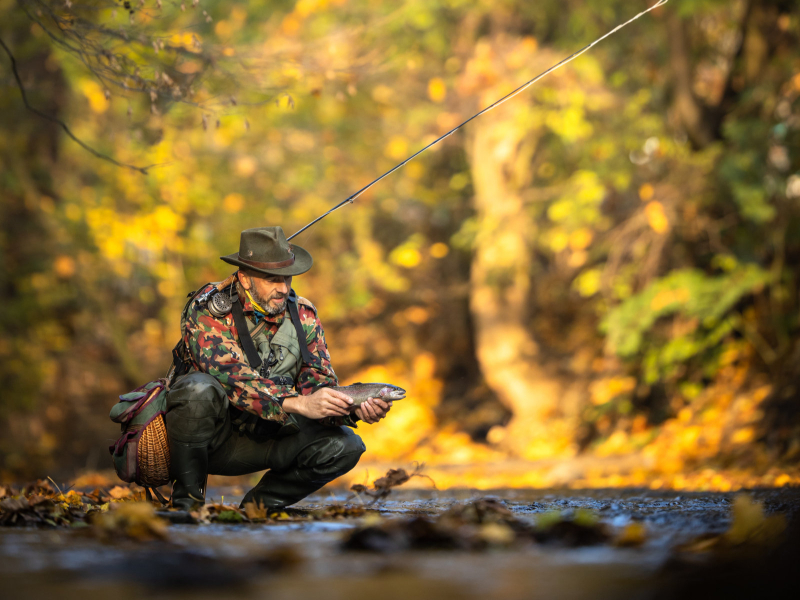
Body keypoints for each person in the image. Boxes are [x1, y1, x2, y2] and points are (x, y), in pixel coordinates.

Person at [165, 226, 392, 510]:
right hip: (210, 440)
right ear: (245, 279)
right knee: (196, 389)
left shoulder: (304, 315)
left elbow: (317, 386)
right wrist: (299, 403)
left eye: (287, 277)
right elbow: (233, 378)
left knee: (346, 446)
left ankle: (258, 509)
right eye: (273, 279)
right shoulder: (209, 308)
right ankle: (187, 506)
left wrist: (351, 407)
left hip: (268, 438)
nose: (283, 288)